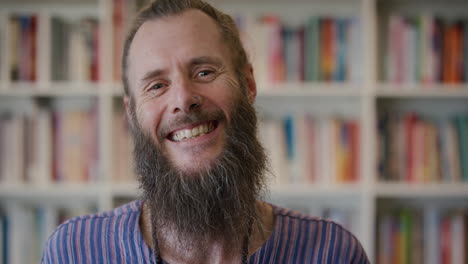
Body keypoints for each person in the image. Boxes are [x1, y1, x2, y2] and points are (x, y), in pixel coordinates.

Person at [41, 0, 370, 263]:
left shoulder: (331, 252)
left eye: (204, 71)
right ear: (130, 113)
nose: (183, 99)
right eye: (157, 85)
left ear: (248, 84)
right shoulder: (73, 252)